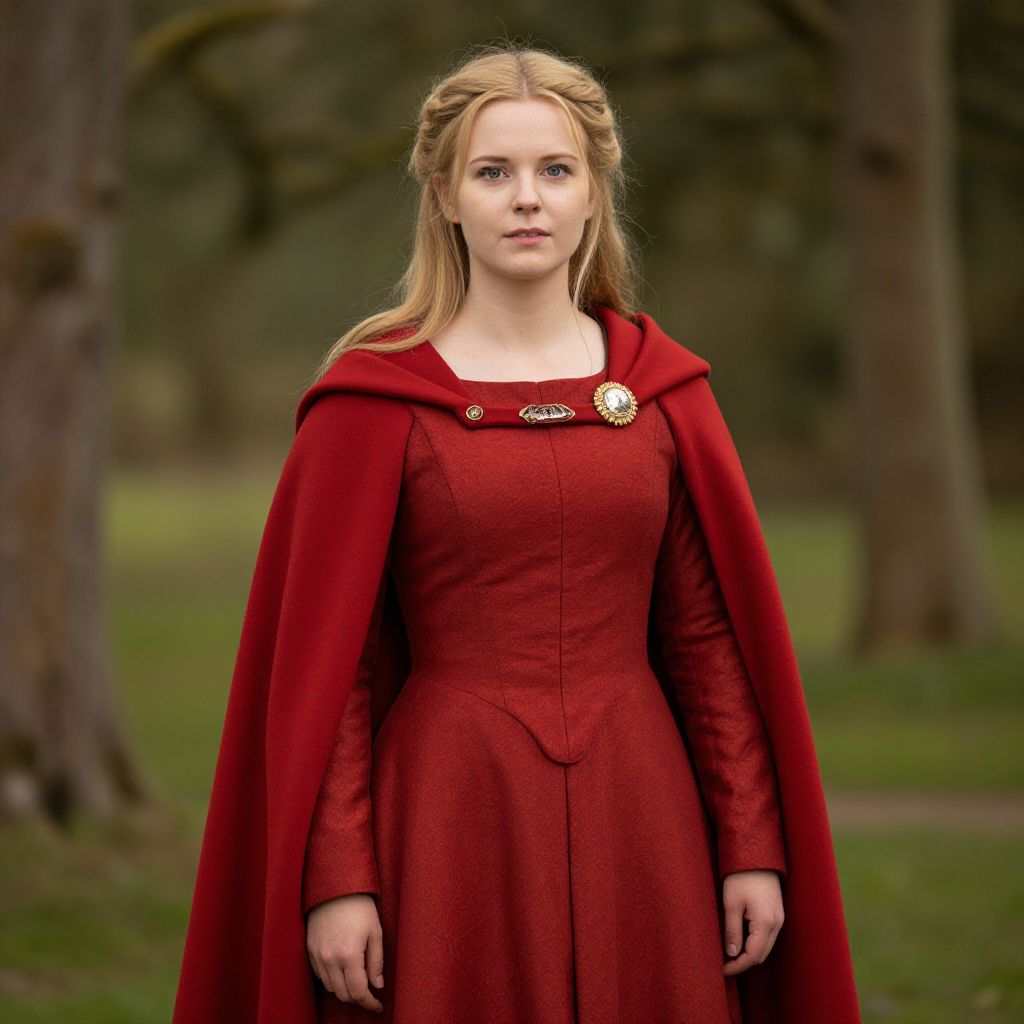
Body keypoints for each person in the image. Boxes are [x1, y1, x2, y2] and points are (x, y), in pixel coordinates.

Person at [173, 44, 862, 1024]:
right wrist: (336, 876)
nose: (525, 198)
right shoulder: (374, 401)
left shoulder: (663, 393)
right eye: (493, 172)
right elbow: (339, 673)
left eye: (554, 170)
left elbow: (708, 644)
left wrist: (750, 843)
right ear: (445, 195)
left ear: (593, 192)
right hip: (451, 813)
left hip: (643, 807)